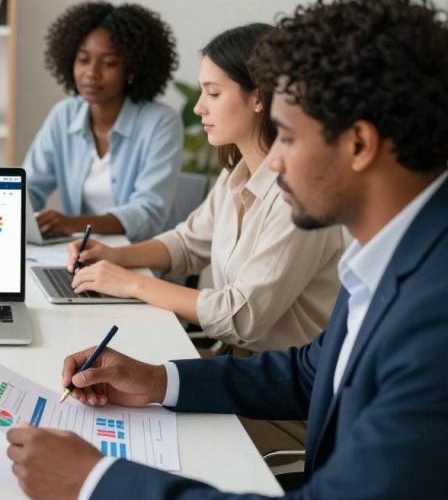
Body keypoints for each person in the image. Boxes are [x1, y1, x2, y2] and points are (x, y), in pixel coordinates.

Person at [6, 0, 448, 500]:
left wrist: (94, 482)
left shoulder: (434, 315)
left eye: (289, 137)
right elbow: (309, 374)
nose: (275, 161)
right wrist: (158, 381)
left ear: (358, 143)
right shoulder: (389, 257)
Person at [68, 24, 343, 355]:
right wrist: (114, 256)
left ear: (258, 97)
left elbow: (241, 317)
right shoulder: (235, 174)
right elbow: (187, 244)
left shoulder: (296, 198)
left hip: (279, 378)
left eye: (213, 93)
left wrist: (131, 284)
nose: (199, 107)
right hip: (234, 359)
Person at [23, 1, 183, 241]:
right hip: (77, 252)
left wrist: (72, 224)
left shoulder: (161, 123)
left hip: (137, 255)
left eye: (108, 63)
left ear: (131, 69)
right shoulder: (63, 115)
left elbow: (147, 213)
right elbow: (30, 188)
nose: (91, 73)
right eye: (83, 59)